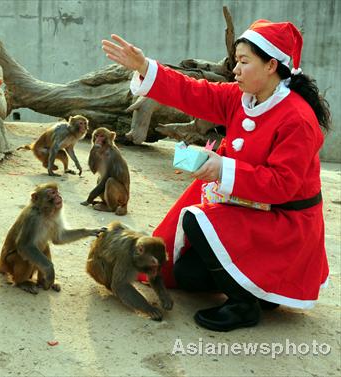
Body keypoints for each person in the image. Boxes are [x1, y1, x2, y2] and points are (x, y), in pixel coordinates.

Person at [101, 19, 331, 332]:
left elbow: (282, 185)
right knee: (185, 274)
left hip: (283, 226)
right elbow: (192, 92)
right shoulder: (241, 98)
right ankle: (259, 290)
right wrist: (145, 66)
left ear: (271, 66)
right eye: (236, 61)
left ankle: (244, 305)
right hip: (247, 206)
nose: (235, 69)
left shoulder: (297, 119)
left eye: (244, 62)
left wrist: (223, 168)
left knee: (197, 219)